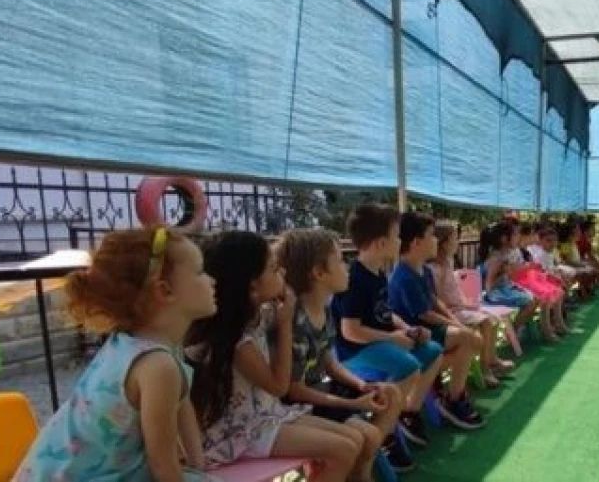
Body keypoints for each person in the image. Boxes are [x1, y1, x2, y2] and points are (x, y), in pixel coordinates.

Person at [15, 227, 217, 481]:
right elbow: (164, 469)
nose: (212, 280)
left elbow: (182, 401)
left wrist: (199, 466)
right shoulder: (157, 365)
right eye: (200, 272)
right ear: (165, 291)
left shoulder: (134, 344)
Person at [187, 231, 361, 482]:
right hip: (239, 431)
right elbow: (280, 386)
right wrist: (286, 324)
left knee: (352, 440)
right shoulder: (238, 340)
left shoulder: (259, 314)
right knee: (343, 449)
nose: (282, 274)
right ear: (252, 286)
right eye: (273, 270)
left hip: (268, 415)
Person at [276, 228, 414, 473]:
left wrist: (361, 386)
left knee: (390, 392)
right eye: (340, 261)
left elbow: (330, 363)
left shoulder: (325, 310)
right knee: (368, 435)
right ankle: (362, 473)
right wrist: (350, 403)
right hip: (301, 404)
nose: (347, 267)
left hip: (321, 392)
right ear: (318, 273)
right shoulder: (295, 322)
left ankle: (362, 468)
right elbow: (293, 390)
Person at [330, 203, 444, 448]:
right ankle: (386, 432)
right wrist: (392, 339)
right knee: (409, 366)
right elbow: (351, 331)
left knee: (432, 350)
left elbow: (385, 313)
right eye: (396, 236)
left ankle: (408, 412)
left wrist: (407, 329)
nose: (400, 240)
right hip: (355, 352)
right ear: (381, 243)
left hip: (378, 344)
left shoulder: (378, 273)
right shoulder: (355, 279)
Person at [389, 212, 486, 429]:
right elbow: (425, 314)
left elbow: (434, 302)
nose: (436, 240)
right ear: (416, 242)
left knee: (468, 340)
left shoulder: (422, 269)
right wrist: (457, 327)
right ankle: (451, 400)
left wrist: (455, 322)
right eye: (432, 235)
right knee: (467, 339)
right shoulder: (403, 275)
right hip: (413, 337)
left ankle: (453, 397)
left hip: (429, 332)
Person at [429, 221, 515, 388]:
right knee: (487, 322)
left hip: (460, 307)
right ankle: (486, 369)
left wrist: (468, 305)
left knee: (492, 317)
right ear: (444, 242)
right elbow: (436, 299)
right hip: (451, 312)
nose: (458, 242)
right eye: (455, 238)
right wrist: (454, 312)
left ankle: (491, 359)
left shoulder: (447, 261)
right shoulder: (434, 268)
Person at [503, 220, 567, 339]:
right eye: (531, 235)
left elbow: (537, 269)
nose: (534, 238)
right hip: (521, 281)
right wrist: (530, 267)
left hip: (530, 278)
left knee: (556, 292)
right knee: (544, 295)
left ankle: (556, 323)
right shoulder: (511, 252)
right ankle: (546, 328)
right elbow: (513, 273)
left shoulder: (521, 250)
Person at [479, 221, 540, 334]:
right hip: (495, 294)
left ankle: (517, 328)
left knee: (535, 298)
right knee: (530, 301)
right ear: (504, 239)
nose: (518, 237)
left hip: (506, 289)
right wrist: (504, 274)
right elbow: (487, 286)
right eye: (515, 235)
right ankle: (513, 330)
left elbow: (510, 275)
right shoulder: (496, 258)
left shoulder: (505, 255)